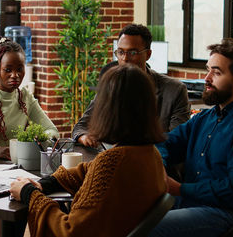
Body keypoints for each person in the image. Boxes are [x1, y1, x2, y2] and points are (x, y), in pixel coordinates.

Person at [9, 64, 167, 237]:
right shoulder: (150, 154)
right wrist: (44, 184)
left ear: (108, 110)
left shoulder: (113, 162)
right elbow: (87, 170)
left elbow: (70, 231)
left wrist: (28, 194)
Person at [150, 39, 233, 237]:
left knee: (145, 229)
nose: (207, 78)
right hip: (188, 203)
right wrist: (158, 164)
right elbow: (164, 142)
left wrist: (180, 189)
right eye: (208, 70)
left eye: (217, 72)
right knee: (122, 213)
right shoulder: (205, 117)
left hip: (223, 213)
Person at [72, 23, 190, 147]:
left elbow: (176, 140)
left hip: (155, 161)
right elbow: (81, 127)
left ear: (148, 54)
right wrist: (84, 137)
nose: (125, 59)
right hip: (115, 158)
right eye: (121, 52)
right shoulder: (111, 86)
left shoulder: (175, 90)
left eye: (132, 52)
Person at [0, 37, 59, 160]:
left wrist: (38, 141)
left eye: (20, 69)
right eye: (8, 70)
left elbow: (52, 131)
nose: (15, 75)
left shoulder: (25, 97)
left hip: (16, 168)